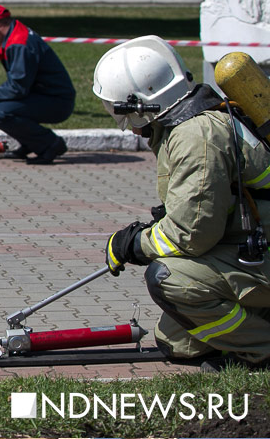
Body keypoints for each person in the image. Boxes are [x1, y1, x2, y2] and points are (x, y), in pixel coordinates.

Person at [94, 35, 270, 372]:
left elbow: (193, 234)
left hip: (258, 253)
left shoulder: (196, 137)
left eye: (118, 108)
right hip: (251, 248)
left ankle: (262, 351)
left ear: (140, 102)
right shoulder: (189, 123)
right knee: (178, 342)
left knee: (169, 280)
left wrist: (134, 243)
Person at [0, 4, 76, 165]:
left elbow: (17, 87)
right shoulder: (17, 33)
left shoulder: (19, 43)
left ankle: (50, 144)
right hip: (45, 96)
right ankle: (30, 143)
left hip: (57, 101)